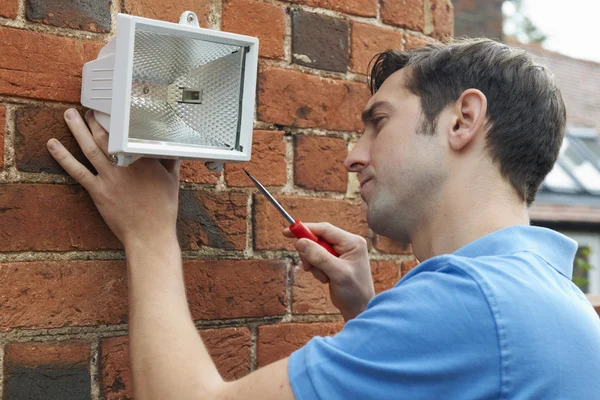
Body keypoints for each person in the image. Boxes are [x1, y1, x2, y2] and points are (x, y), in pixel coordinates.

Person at [47, 38, 600, 399]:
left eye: (377, 123)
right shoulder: (553, 298)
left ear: (464, 120)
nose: (353, 155)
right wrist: (367, 310)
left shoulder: (469, 304)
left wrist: (148, 234)